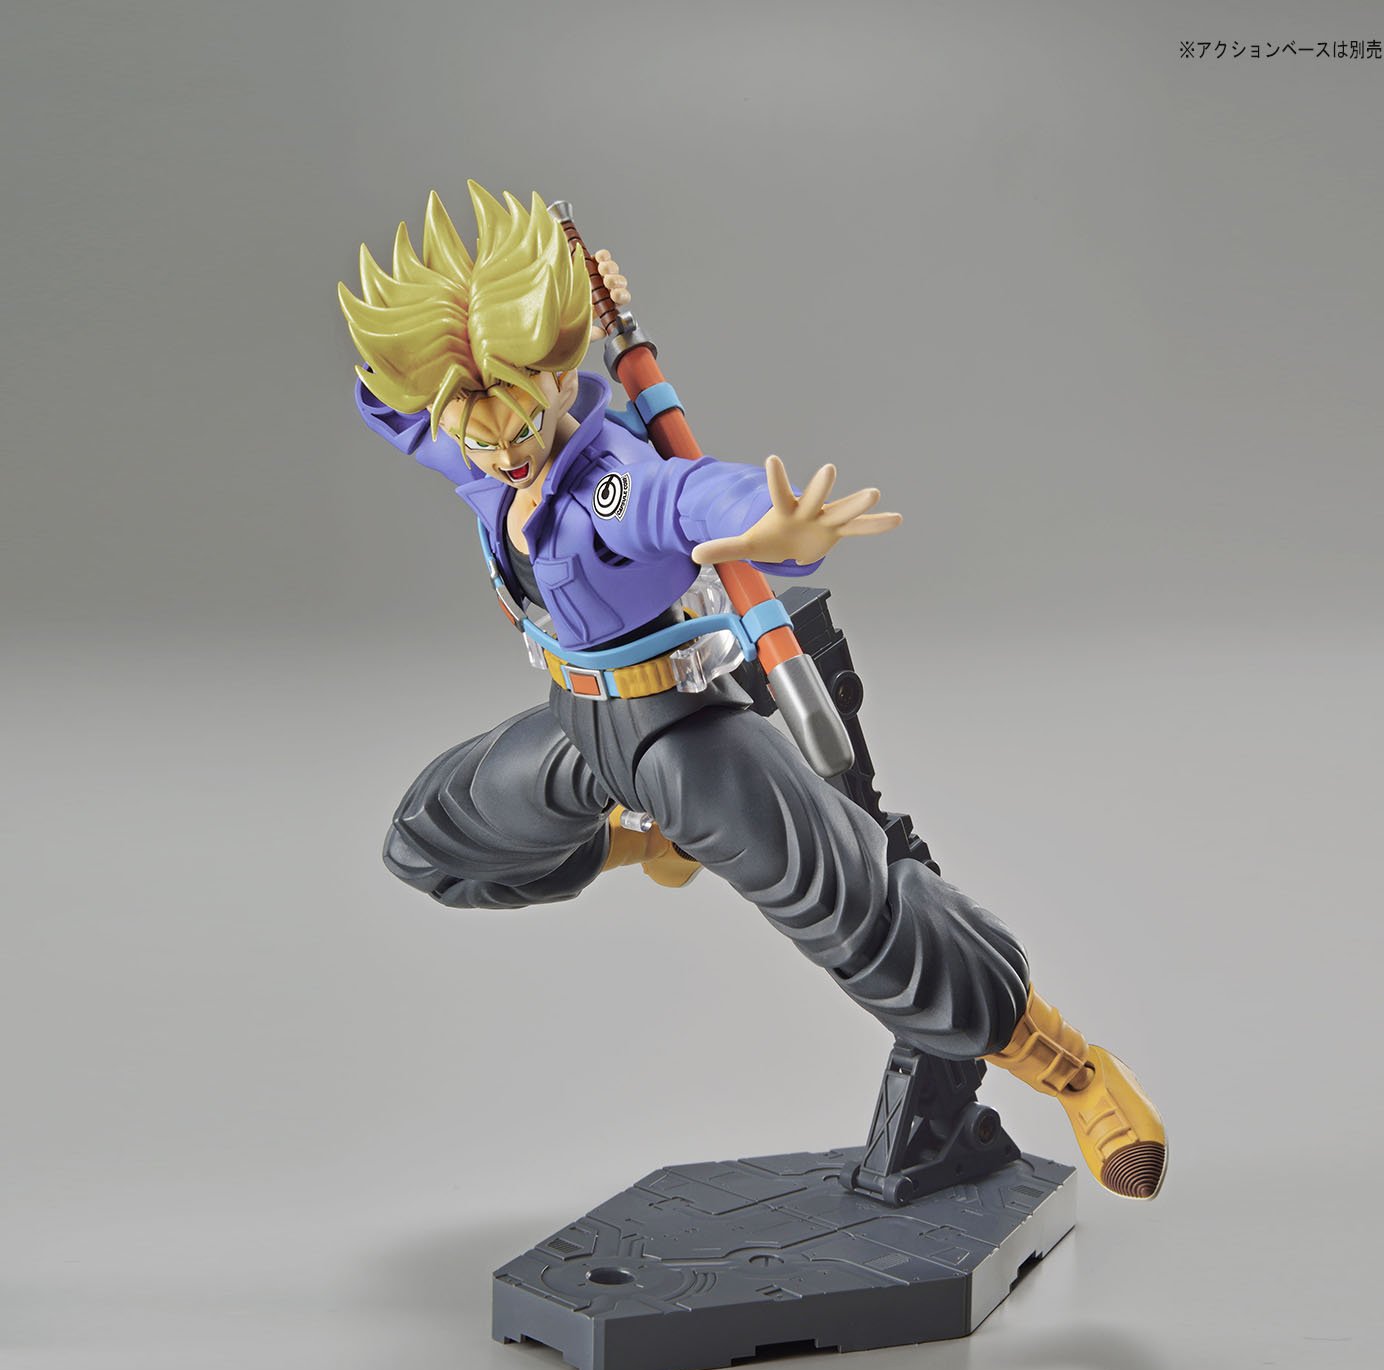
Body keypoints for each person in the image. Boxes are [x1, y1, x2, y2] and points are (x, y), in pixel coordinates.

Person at [338, 183, 1167, 1198]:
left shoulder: (607, 481)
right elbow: (393, 400)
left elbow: (687, 497)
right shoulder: (472, 439)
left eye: (517, 430)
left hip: (678, 733)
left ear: (558, 381)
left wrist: (772, 533)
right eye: (477, 438)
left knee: (855, 909)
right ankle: (655, 845)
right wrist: (547, 303)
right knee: (427, 841)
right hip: (577, 726)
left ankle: (1072, 1069)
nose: (503, 456)